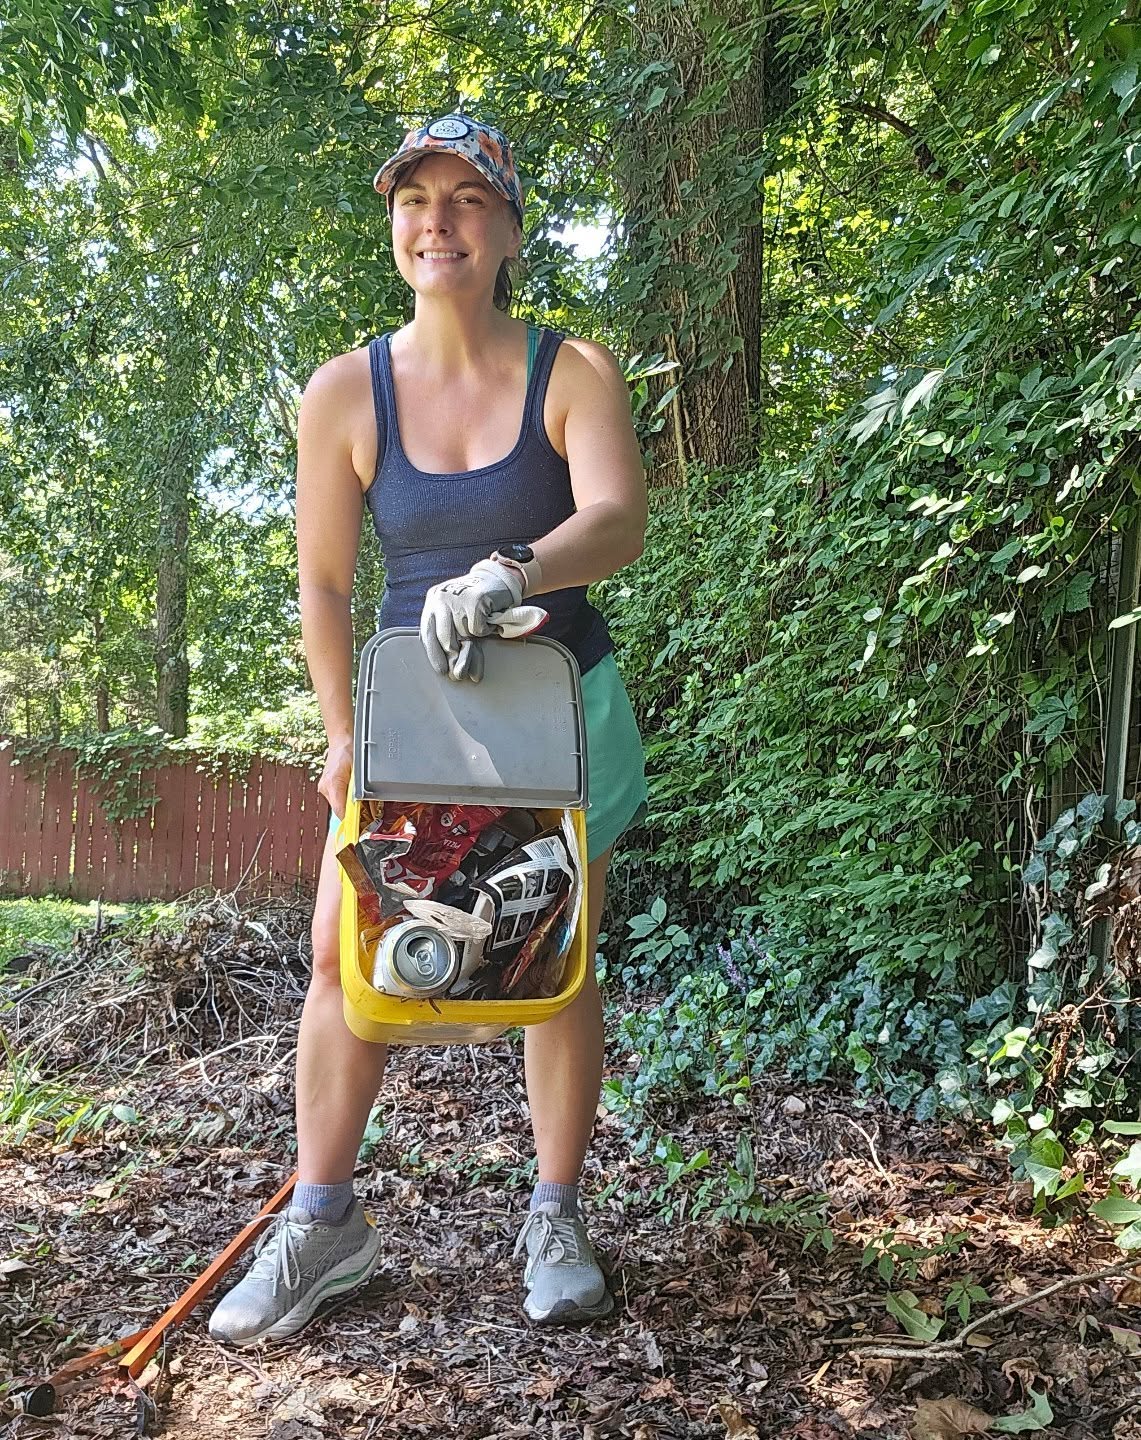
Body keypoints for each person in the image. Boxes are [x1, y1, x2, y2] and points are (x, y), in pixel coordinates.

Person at [208, 114, 648, 1346]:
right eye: (414, 198)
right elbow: (325, 586)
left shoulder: (571, 372)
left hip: (558, 710)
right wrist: (342, 729)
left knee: (555, 962)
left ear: (509, 229)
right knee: (344, 963)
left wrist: (514, 570)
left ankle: (554, 1218)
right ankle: (326, 1221)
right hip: (412, 718)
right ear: (393, 224)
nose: (436, 221)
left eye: (465, 199)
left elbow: (618, 518)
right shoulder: (347, 390)